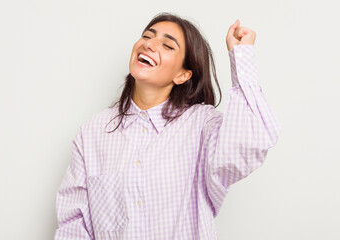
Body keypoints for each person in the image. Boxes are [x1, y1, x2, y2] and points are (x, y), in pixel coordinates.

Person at [54, 12, 281, 240]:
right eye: (147, 36)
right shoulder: (93, 132)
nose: (149, 45)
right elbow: (74, 225)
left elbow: (250, 143)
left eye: (168, 46)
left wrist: (241, 56)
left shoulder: (202, 124)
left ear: (183, 75)